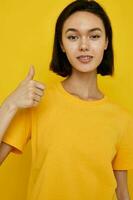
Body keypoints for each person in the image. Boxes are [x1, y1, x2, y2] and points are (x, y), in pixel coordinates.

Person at [0, 1, 133, 200]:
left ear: (106, 42)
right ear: (62, 44)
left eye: (94, 36)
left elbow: (122, 192)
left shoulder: (123, 119)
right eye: (73, 37)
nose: (84, 46)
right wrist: (9, 105)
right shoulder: (38, 101)